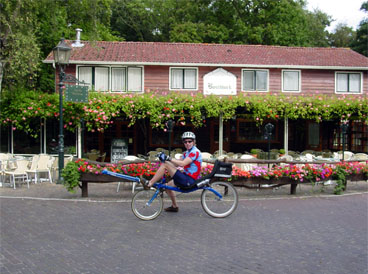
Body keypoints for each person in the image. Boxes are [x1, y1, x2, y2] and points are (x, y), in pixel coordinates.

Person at [142, 131, 202, 212]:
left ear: (194, 142)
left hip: (189, 180)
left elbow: (183, 163)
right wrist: (164, 159)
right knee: (168, 187)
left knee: (165, 165)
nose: (187, 143)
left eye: (190, 141)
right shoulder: (186, 153)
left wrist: (168, 159)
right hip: (186, 177)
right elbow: (176, 164)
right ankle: (174, 207)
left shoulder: (195, 152)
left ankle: (149, 183)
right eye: (185, 142)